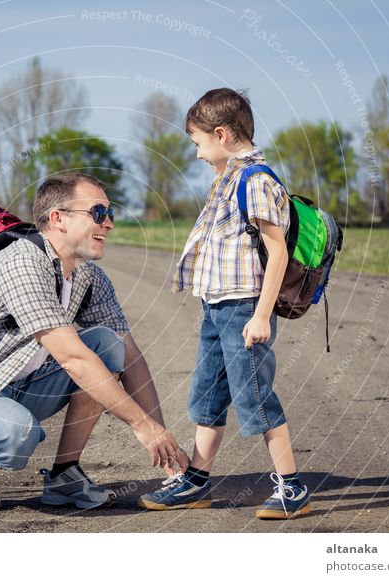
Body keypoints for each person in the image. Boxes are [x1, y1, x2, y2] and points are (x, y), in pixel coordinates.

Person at [0, 172, 188, 511]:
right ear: (58, 219)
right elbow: (73, 359)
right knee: (14, 436)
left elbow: (129, 355)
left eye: (110, 213)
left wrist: (162, 440)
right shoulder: (22, 263)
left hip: (16, 384)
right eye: (98, 213)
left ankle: (64, 475)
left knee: (107, 346)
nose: (110, 224)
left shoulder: (89, 277)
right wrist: (141, 426)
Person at [138, 88, 311, 519]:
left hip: (243, 310)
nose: (196, 154)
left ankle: (292, 486)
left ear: (221, 134)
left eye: (198, 143)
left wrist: (260, 317)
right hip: (216, 307)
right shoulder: (229, 179)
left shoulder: (257, 182)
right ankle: (197, 480)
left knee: (255, 396)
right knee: (207, 396)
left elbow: (278, 254)